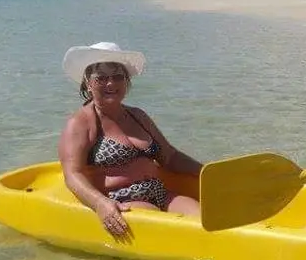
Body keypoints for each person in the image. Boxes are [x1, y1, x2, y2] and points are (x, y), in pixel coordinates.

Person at [58, 42, 202, 236]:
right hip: (121, 202)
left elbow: (170, 157)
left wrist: (206, 172)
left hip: (159, 193)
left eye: (118, 77)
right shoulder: (81, 123)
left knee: (202, 218)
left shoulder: (138, 116)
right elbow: (72, 174)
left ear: (126, 81)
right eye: (101, 78)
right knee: (170, 231)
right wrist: (100, 204)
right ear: (88, 83)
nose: (111, 83)